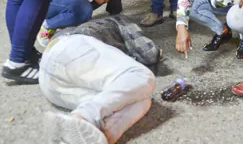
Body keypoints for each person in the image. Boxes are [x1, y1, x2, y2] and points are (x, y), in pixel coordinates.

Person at [40, 15, 160, 144]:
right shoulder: (122, 20)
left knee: (142, 100)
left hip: (49, 83)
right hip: (71, 47)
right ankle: (83, 116)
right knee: (141, 75)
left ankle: (98, 137)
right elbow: (149, 55)